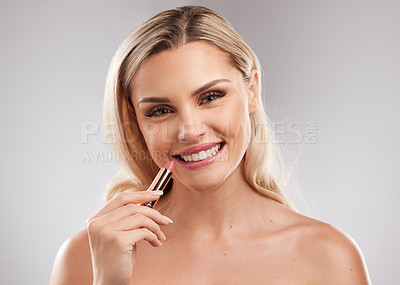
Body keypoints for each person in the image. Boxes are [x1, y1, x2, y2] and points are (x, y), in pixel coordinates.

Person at [50, 5, 370, 285]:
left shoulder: (330, 256)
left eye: (211, 96)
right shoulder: (86, 258)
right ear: (135, 121)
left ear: (252, 90)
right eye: (160, 111)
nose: (190, 131)